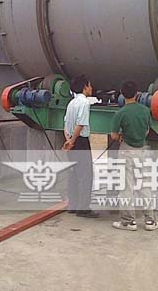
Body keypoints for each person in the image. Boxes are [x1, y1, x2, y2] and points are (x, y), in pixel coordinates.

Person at [110, 80, 158, 231]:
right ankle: (150, 221)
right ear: (137, 94)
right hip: (142, 150)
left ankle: (128, 222)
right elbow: (147, 130)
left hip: (126, 151)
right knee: (144, 185)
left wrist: (121, 136)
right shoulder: (145, 110)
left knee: (126, 187)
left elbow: (113, 136)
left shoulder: (121, 113)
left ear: (122, 94)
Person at [63, 74, 99, 218]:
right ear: (85, 87)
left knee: (74, 174)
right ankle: (83, 208)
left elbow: (66, 124)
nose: (91, 88)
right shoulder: (84, 103)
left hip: (71, 141)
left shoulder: (71, 103)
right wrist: (73, 140)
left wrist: (68, 141)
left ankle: (73, 205)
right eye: (90, 85)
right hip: (80, 142)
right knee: (85, 175)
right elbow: (80, 124)